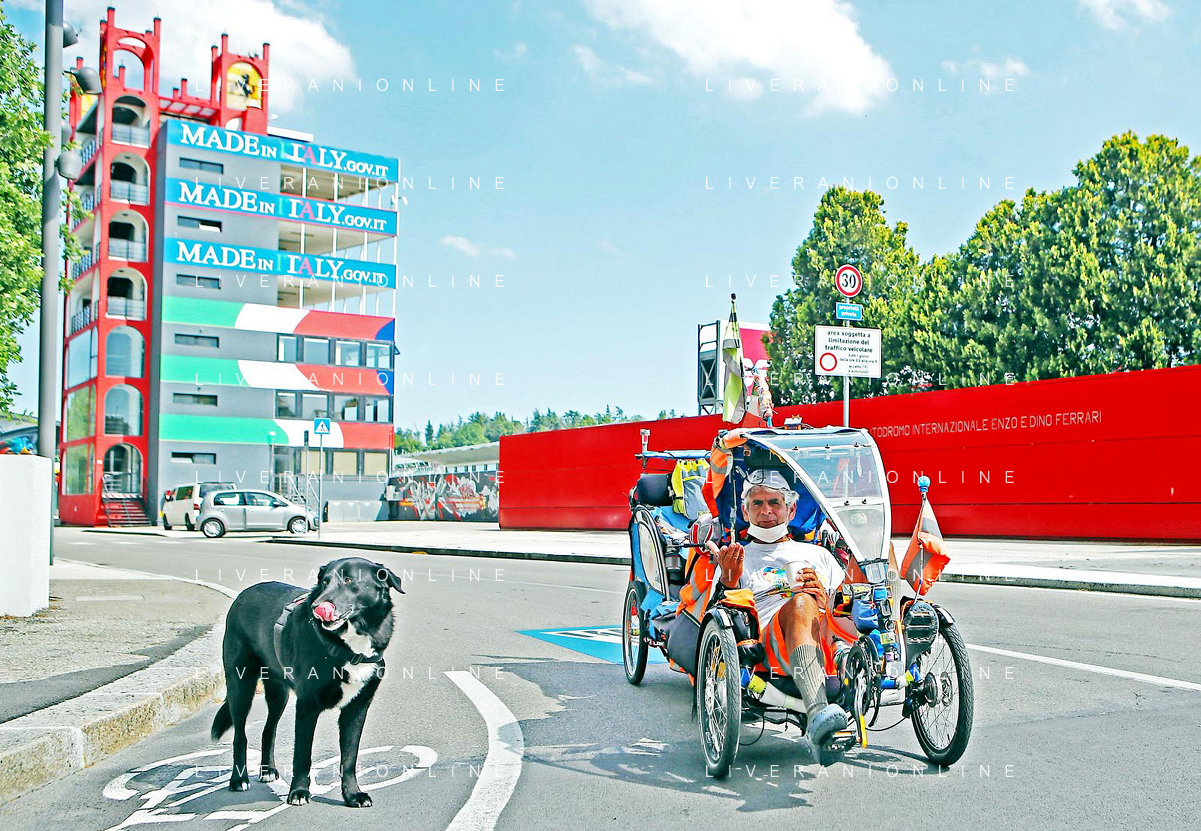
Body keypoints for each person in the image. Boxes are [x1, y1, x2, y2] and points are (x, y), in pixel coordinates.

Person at [710, 470, 850, 750]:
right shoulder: (738, 557)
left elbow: (845, 608)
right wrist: (729, 581)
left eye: (774, 502)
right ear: (745, 511)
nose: (766, 511)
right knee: (801, 602)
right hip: (770, 644)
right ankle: (817, 713)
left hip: (825, 637)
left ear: (791, 509)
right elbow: (717, 620)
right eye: (757, 503)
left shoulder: (819, 555)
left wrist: (824, 600)